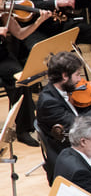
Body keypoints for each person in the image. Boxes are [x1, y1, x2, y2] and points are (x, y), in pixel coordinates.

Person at [0, 9, 54, 146]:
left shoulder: (3, 10)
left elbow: (20, 34)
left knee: (21, 77)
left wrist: (38, 21)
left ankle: (24, 128)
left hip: (2, 56)